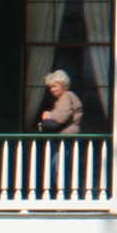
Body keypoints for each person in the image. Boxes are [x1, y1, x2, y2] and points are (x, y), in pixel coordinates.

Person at [39, 68, 87, 201]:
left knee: (61, 169)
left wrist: (49, 115)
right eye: (50, 88)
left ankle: (64, 199)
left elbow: (63, 116)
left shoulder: (67, 95)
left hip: (66, 139)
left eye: (55, 86)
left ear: (62, 84)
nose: (52, 90)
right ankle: (64, 196)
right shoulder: (61, 99)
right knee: (59, 168)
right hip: (62, 140)